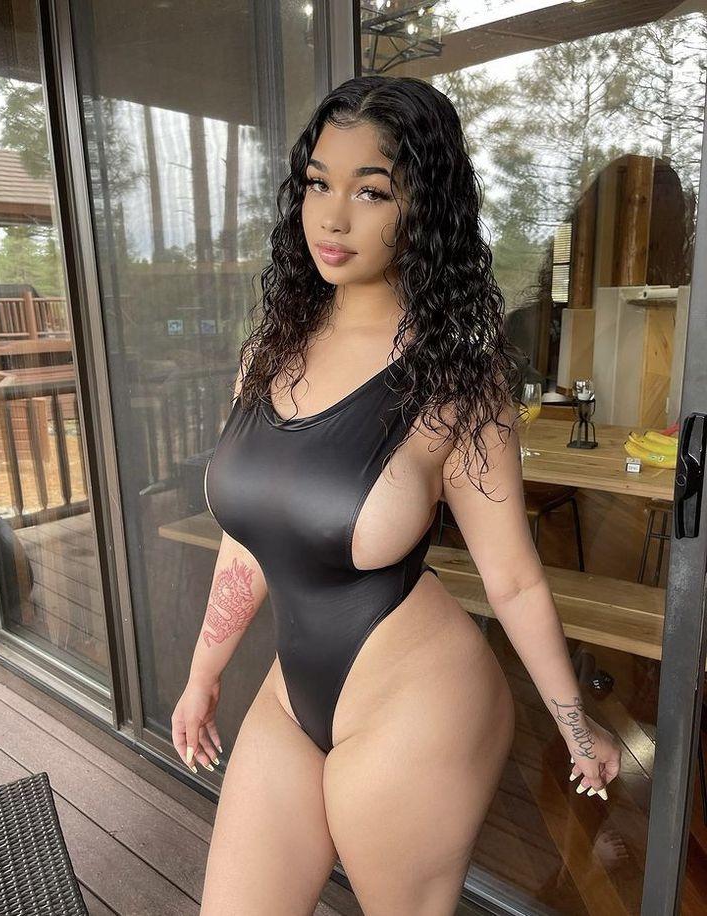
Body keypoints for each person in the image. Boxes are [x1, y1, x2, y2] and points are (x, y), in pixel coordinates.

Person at [171, 75, 622, 916]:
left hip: (419, 703)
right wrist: (204, 677)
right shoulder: (269, 351)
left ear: (424, 208)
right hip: (290, 695)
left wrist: (573, 724)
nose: (333, 218)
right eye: (319, 184)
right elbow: (250, 540)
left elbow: (513, 578)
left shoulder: (457, 380)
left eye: (371, 191)